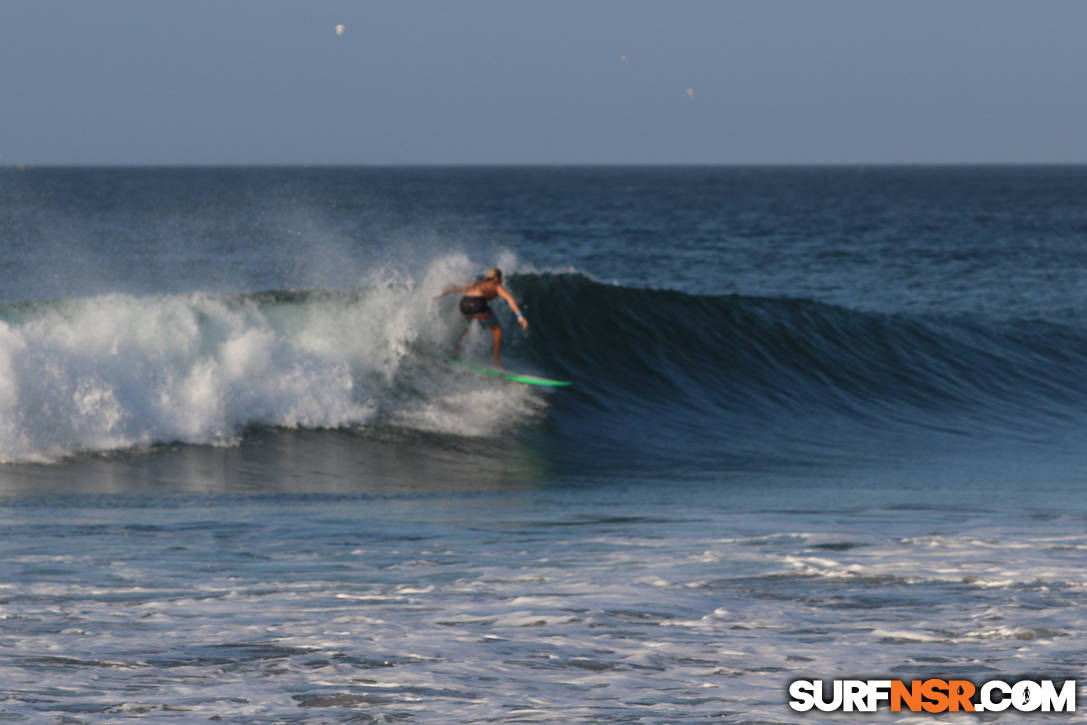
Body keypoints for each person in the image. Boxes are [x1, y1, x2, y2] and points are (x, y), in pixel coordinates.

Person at [438, 267, 528, 367]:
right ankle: (497, 363)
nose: (501, 281)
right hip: (478, 304)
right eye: (500, 278)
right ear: (496, 278)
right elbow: (509, 298)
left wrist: (444, 292)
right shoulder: (496, 285)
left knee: (466, 330)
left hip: (464, 303)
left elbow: (460, 289)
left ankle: (454, 354)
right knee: (497, 329)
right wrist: (520, 316)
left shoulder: (478, 283)